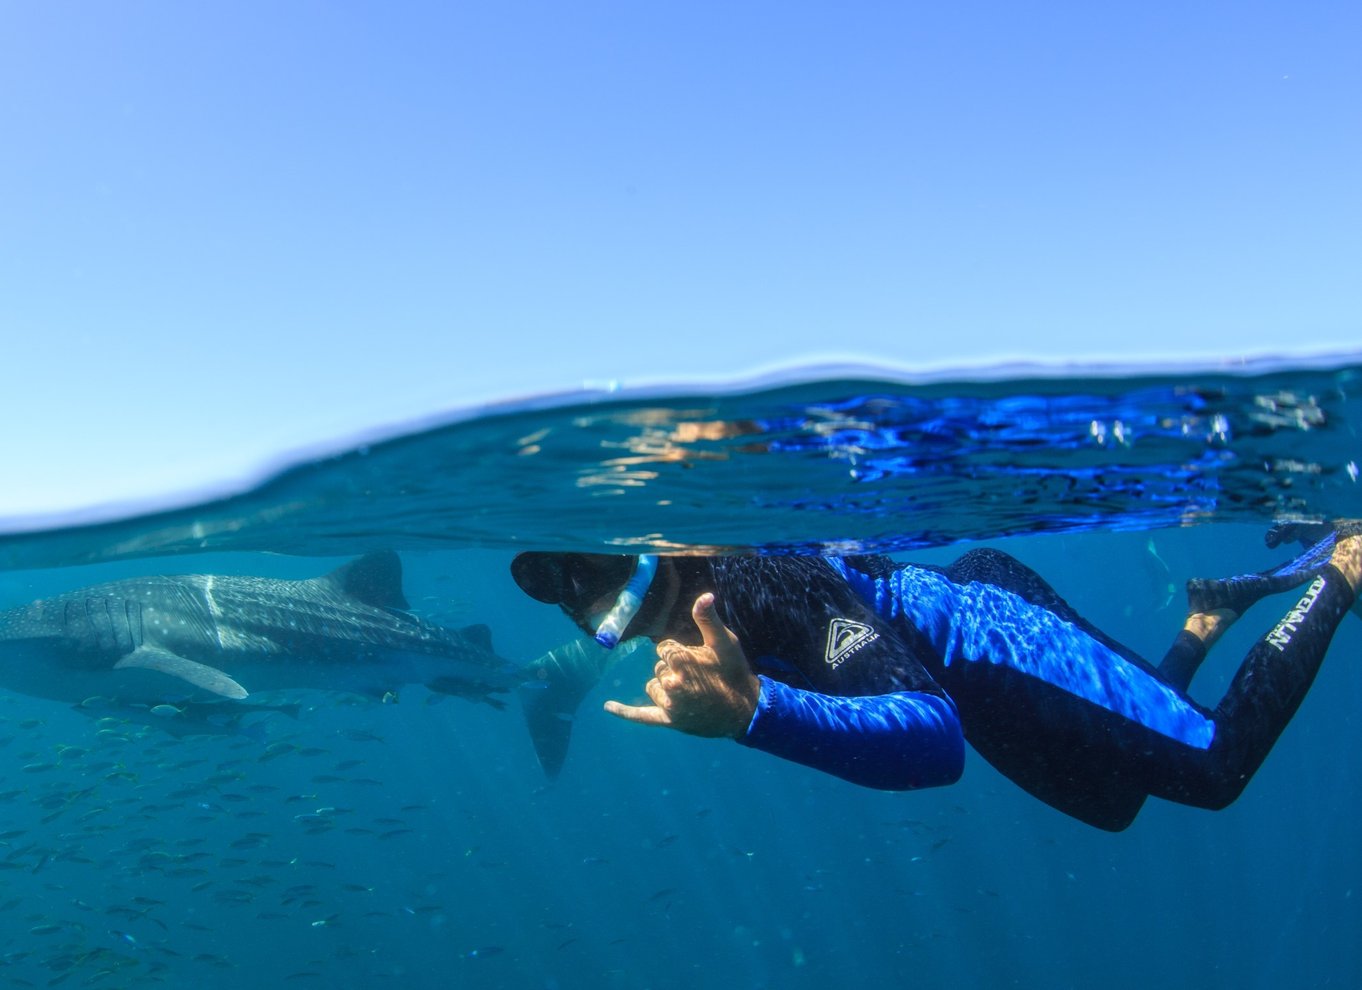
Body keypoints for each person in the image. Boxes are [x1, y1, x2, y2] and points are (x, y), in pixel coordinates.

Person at [510, 522, 1362, 832]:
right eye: (560, 588)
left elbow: (933, 737)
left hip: (994, 642)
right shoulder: (705, 608)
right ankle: (1203, 622)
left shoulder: (759, 577)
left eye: (584, 570)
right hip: (967, 663)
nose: (582, 603)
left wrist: (752, 713)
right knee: (1115, 801)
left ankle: (1343, 568)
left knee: (1212, 766)